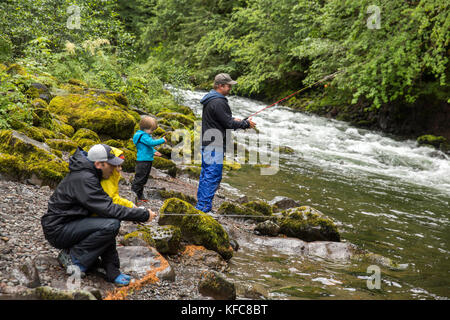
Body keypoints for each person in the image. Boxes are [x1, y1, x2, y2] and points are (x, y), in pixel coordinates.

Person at [41, 144, 156, 286]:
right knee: (111, 224)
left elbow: (105, 214)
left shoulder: (90, 175)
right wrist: (143, 215)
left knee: (108, 223)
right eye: (112, 165)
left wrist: (113, 271)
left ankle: (102, 266)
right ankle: (73, 258)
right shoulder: (85, 179)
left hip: (70, 225)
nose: (115, 169)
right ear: (98, 164)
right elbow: (109, 209)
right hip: (58, 230)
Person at [195, 73, 256, 214]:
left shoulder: (210, 99)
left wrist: (236, 120)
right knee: (212, 175)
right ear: (220, 86)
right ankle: (203, 208)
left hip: (207, 142)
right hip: (214, 144)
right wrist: (246, 124)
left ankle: (202, 205)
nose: (230, 88)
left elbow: (223, 119)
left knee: (206, 174)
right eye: (228, 85)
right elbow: (228, 124)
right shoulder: (219, 101)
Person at [131, 116, 166, 203]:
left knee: (144, 178)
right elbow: (151, 143)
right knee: (140, 179)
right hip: (143, 161)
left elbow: (147, 146)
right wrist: (162, 140)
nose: (152, 132)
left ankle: (139, 195)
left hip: (147, 159)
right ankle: (133, 194)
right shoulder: (143, 136)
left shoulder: (145, 135)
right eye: (151, 130)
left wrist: (154, 152)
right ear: (144, 129)